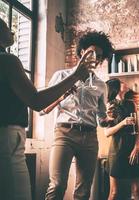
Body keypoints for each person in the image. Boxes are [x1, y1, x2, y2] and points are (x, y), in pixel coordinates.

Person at [0, 17, 94, 200]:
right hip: (7, 141)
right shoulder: (8, 61)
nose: (11, 31)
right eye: (5, 26)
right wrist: (75, 76)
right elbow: (36, 101)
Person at [44, 31, 114, 200]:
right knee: (57, 185)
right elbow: (44, 107)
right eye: (91, 52)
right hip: (64, 134)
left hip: (90, 137)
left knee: (83, 191)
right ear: (82, 52)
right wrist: (63, 94)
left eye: (99, 55)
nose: (95, 57)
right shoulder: (61, 76)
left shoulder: (101, 85)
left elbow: (101, 117)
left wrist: (108, 120)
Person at [103, 78, 139, 200]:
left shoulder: (132, 104)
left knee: (136, 191)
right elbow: (107, 132)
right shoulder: (110, 106)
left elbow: (137, 128)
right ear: (116, 88)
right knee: (114, 192)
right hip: (117, 151)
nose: (124, 83)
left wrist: (137, 147)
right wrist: (123, 123)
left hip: (132, 150)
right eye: (121, 83)